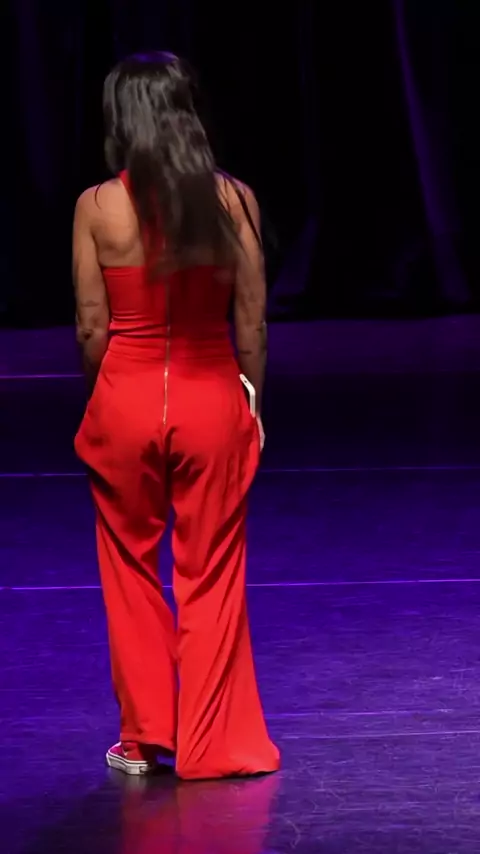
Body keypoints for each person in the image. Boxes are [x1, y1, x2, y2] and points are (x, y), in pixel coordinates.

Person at [73, 51, 280, 781]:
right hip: (209, 396)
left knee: (129, 567)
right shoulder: (234, 200)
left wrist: (102, 399)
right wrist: (251, 400)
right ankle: (214, 746)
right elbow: (251, 321)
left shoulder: (97, 206)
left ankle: (144, 738)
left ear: (122, 119)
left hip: (127, 397)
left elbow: (92, 326)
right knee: (212, 570)